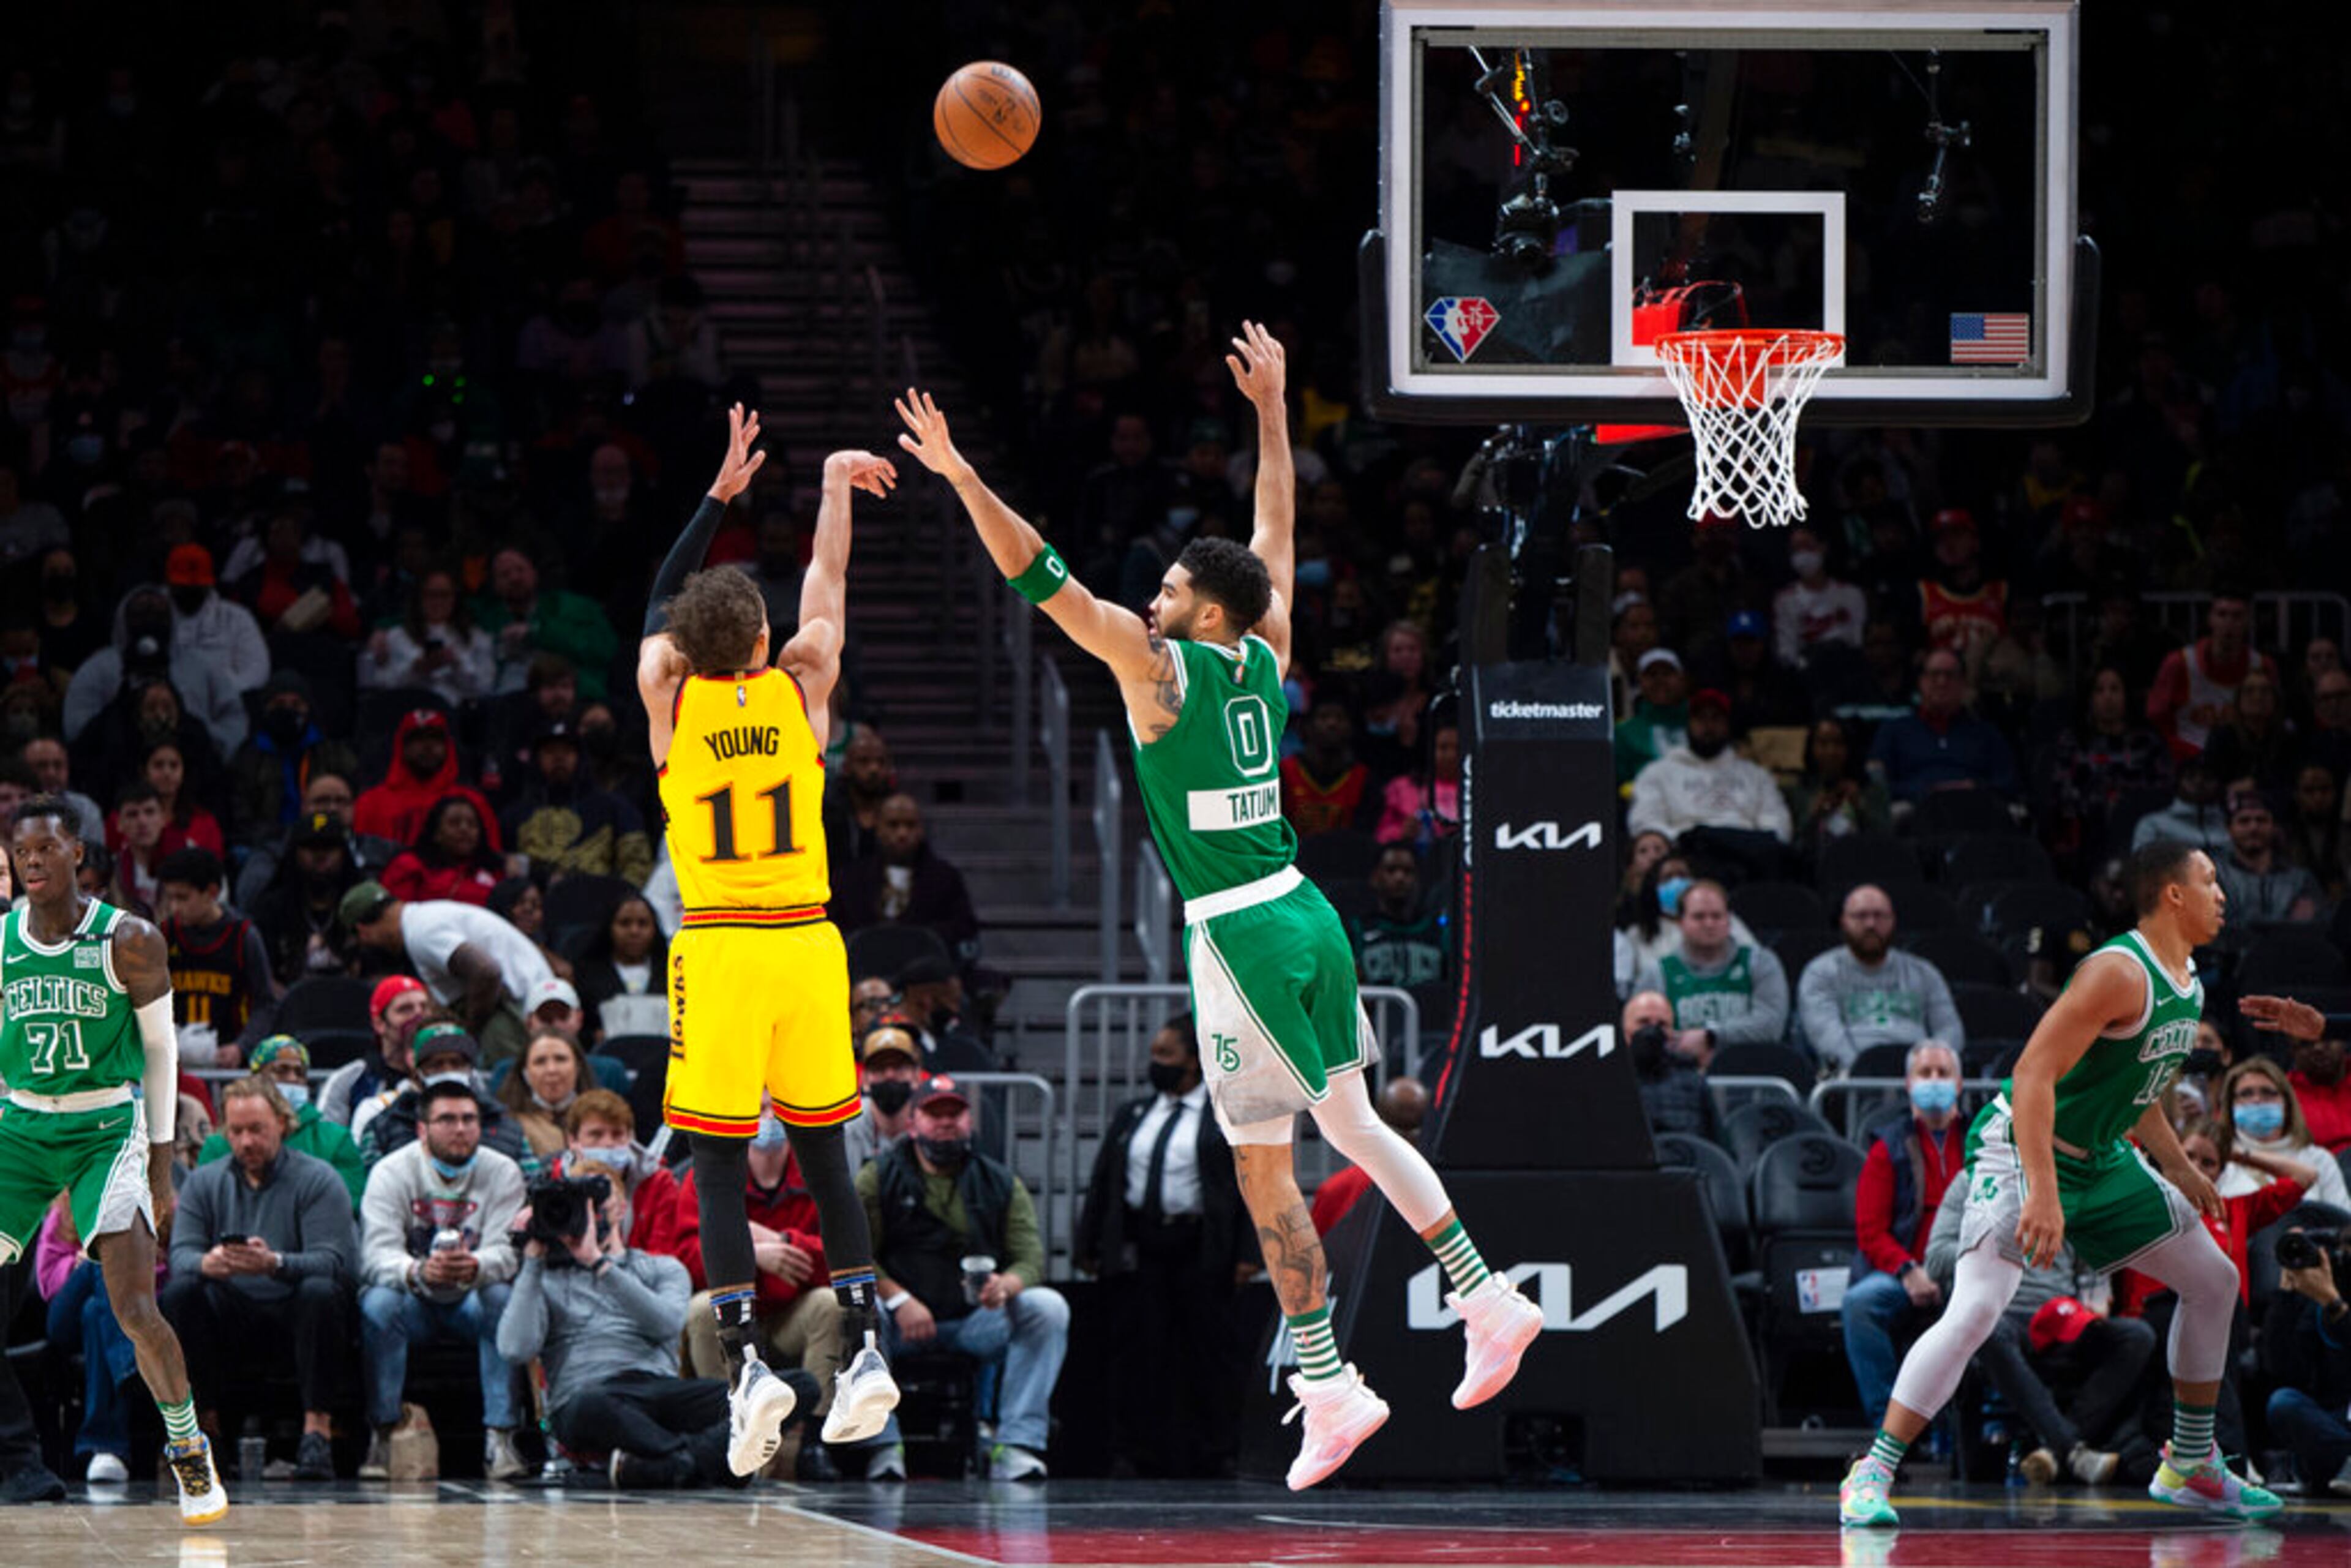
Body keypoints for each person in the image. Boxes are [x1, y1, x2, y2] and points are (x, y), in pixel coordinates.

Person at [898, 327, 1542, 1493]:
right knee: (1354, 1128)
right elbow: (1275, 537)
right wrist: (1275, 411)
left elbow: (1038, 572)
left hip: (1241, 931)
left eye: (1169, 591)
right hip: (1309, 910)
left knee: (1263, 1173)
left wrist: (960, 477)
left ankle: (1330, 1381)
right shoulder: (1263, 653)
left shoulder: (1159, 674)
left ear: (1201, 617)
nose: (1150, 600)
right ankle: (1487, 1295)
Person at [1837, 841, 2278, 1529]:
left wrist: (2181, 1166)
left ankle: (2191, 1461)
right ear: (2172, 894)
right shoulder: (2116, 971)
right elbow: (2035, 1073)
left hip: (2103, 1157)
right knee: (1978, 1309)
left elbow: (2140, 1091)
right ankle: (1872, 1470)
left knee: (2215, 1281)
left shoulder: (2186, 981)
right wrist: (2043, 1190)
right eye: (2210, 880)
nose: (2222, 893)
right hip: (2022, 1146)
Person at [636, 404, 902, 1476]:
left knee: (714, 1151)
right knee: (828, 1149)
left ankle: (745, 1364)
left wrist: (715, 501)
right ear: (762, 639)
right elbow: (828, 589)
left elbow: (658, 600)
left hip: (721, 944)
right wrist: (833, 484)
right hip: (806, 942)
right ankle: (868, 1343)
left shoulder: (670, 696)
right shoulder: (803, 688)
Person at [0, 797, 228, 1521]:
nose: (31, 861)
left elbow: (161, 1055)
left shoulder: (128, 939)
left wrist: (161, 1167)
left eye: (46, 848)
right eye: (20, 851)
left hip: (108, 1124)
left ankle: (189, 1451)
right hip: (22, 1124)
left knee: (132, 1304)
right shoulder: (1, 940)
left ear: (79, 853)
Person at [498, 1136, 812, 1490]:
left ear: (620, 1207)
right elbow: (514, 1348)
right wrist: (532, 1258)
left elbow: (666, 1324)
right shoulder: (544, 1277)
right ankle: (706, 1460)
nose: (585, 1216)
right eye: (572, 1206)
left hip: (659, 1392)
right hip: (588, 1398)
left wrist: (600, 1265)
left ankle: (672, 1465)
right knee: (590, 1404)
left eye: (595, 1204)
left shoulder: (662, 1268)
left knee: (797, 1387)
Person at [855, 1078, 1068, 1480]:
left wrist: (1007, 1285)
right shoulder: (878, 1176)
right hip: (898, 1321)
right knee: (853, 1309)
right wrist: (899, 1299)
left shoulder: (1000, 1180)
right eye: (935, 1114)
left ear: (971, 1121)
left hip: (974, 1320)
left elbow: (1030, 1258)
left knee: (1047, 1307)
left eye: (955, 1113)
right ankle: (883, 1444)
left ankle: (1016, 1443)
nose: (946, 1122)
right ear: (913, 1122)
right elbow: (855, 1257)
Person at [1076, 1013, 1256, 1477]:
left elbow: (1251, 1186)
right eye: (1155, 1054)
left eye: (1166, 1055)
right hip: (1142, 1242)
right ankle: (1135, 1451)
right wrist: (1089, 1241)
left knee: (1209, 1351)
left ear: (1194, 1062)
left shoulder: (1224, 1113)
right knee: (1139, 1352)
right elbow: (1104, 1181)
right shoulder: (1134, 1112)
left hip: (1201, 1244)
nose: (1156, 1064)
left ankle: (1217, 1450)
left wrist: (1248, 1252)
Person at [160, 1075, 358, 1482]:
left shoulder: (318, 1178)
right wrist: (208, 1262)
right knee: (183, 1290)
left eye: (257, 1129)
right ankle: (207, 1431)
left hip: (294, 1307)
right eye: (236, 1131)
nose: (247, 1141)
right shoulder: (205, 1180)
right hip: (232, 1310)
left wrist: (274, 1262)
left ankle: (316, 1433)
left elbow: (337, 1261)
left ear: (282, 1124)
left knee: (322, 1291)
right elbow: (181, 1256)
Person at [357, 1076, 528, 1481]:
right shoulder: (390, 1172)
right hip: (413, 1298)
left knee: (503, 1298)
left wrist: (476, 1265)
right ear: (422, 1128)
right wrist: (416, 1270)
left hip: (472, 1298)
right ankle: (382, 1434)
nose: (460, 1128)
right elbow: (374, 1255)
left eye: (469, 1118)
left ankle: (501, 1438)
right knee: (377, 1303)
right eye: (447, 1119)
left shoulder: (503, 1171)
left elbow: (510, 1251)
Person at [1921, 1177, 2142, 1487]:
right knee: (1988, 1328)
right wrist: (1991, 1240)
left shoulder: (2068, 1180)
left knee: (2136, 1336)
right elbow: (1935, 1260)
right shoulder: (1972, 1180)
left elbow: (2091, 1269)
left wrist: (2093, 1300)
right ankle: (2072, 1450)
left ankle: (2055, 1450)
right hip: (2000, 1310)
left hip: (2060, 1315)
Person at [673, 1108, 847, 1480]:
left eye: (776, 1109)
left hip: (790, 1311)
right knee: (702, 1309)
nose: (768, 1119)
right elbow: (687, 1262)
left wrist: (784, 1242)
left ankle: (814, 1445)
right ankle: (729, 1430)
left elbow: (840, 1253)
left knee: (831, 1306)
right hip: (734, 1310)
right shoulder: (702, 1175)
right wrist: (752, 1256)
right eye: (758, 1109)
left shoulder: (816, 1173)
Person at [1839, 1041, 1968, 1427]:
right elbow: (1871, 1232)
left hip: (1968, 1270)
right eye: (1924, 1074)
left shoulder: (1981, 1139)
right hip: (1907, 1272)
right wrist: (1908, 1271)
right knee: (1860, 1305)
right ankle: (1888, 1428)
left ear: (1959, 1083)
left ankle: (1984, 1432)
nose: (1934, 1081)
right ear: (1908, 1084)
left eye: (1942, 1073)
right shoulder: (1888, 1146)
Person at [340, 880, 555, 1065]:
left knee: (509, 1092)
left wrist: (468, 1033)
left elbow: (486, 972)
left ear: (363, 930)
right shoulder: (423, 919)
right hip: (522, 1005)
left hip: (514, 1009)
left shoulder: (421, 931)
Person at [1798, 885, 1967, 1073]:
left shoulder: (1924, 972)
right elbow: (1826, 1035)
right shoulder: (1820, 972)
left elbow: (1950, 1030)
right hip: (1851, 1082)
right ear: (1843, 921)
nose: (1871, 924)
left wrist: (1930, 1069)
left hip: (1922, 1079)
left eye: (1879, 916)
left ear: (1893, 920)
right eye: (1861, 916)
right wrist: (1864, 1074)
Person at [196, 1038, 367, 1207]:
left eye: (300, 1073)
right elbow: (206, 1203)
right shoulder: (218, 1145)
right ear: (256, 1077)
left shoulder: (336, 1140)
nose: (293, 1079)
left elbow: (347, 1202)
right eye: (281, 1070)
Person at [1630, 880, 1791, 1057]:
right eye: (1699, 917)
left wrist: (1711, 1037)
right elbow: (1639, 1032)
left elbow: (1771, 1026)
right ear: (1680, 922)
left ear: (1729, 921)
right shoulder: (1657, 973)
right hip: (1678, 1073)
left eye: (1717, 916)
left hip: (1750, 1069)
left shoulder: (1760, 962)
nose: (1709, 924)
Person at [828, 793, 983, 974]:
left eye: (910, 825)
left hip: (926, 975)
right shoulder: (850, 879)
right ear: (878, 828)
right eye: (893, 825)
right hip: (863, 974)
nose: (902, 834)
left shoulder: (945, 878)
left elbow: (963, 927)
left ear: (921, 830)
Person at [355, 1018, 533, 1171]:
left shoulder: (506, 1126)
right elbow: (373, 1190)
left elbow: (531, 1187)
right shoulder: (384, 1127)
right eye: (436, 1064)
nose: (448, 1070)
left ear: (471, 1069)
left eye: (457, 1063)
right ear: (418, 1072)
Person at [1626, 688, 1794, 849]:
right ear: (1688, 724)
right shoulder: (1657, 773)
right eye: (1701, 719)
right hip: (1684, 855)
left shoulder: (1756, 776)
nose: (1708, 726)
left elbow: (1778, 826)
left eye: (1716, 719)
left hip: (1745, 858)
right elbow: (1646, 822)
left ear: (1727, 725)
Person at [156, 847, 275, 1068]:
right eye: (170, 898)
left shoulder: (243, 936)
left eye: (182, 898)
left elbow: (265, 1004)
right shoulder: (164, 935)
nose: (174, 908)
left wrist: (243, 1046)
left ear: (211, 892)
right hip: (175, 1062)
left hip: (227, 1060)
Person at [501, 719, 654, 883]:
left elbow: (637, 865)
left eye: (567, 751)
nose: (559, 758)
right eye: (550, 752)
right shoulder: (515, 815)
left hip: (600, 900)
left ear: (580, 758)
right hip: (531, 903)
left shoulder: (614, 808)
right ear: (537, 759)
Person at [1867, 648, 2023, 806]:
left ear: (1963, 684)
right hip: (1914, 816)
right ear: (1922, 682)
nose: (1942, 682)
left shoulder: (1987, 734)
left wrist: (1975, 788)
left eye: (1950, 675)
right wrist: (1924, 791)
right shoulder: (1894, 732)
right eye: (1935, 675)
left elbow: (2008, 783)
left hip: (1976, 814)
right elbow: (1878, 785)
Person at [2262, 1226, 2351, 1497]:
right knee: (2284, 1402)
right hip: (2333, 1420)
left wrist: (2334, 1304)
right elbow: (2280, 1368)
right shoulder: (2317, 1294)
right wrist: (2285, 1297)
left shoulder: (2329, 1296)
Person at [351, 708, 501, 858]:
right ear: (402, 746)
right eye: (418, 739)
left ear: (448, 747)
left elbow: (492, 859)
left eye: (435, 738)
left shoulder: (474, 803)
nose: (428, 746)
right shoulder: (370, 803)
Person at [2148, 589, 2278, 760]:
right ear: (2210, 618)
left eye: (2237, 616)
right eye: (2222, 615)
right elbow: (2157, 718)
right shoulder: (2179, 664)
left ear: (2248, 621)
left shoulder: (2262, 667)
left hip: (2243, 762)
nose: (2229, 624)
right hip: (2188, 763)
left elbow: (2274, 720)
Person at [477, 546, 620, 700]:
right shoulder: (487, 620)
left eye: (520, 570)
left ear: (534, 573)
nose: (514, 578)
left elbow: (603, 649)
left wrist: (538, 632)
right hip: (507, 700)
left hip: (571, 698)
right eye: (505, 574)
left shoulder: (570, 606)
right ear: (495, 584)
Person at [2211, 1054, 2351, 1210]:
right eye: (2246, 1094)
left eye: (2268, 1092)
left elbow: (2344, 1221)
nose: (2257, 1100)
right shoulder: (2217, 1160)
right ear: (2230, 1106)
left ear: (2287, 1103)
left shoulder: (2319, 1160)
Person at [248, 809, 363, 985]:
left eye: (329, 848)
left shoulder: (363, 908)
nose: (321, 856)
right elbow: (261, 976)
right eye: (311, 848)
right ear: (294, 853)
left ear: (344, 854)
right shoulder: (271, 909)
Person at [357, 567, 498, 707]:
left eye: (444, 595)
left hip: (460, 714)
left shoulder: (475, 637)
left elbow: (485, 688)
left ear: (455, 598)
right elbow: (383, 683)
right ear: (419, 598)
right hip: (410, 713)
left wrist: (457, 665)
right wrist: (417, 670)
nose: (437, 602)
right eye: (431, 595)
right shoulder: (396, 637)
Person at [320, 975, 434, 1129]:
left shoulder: (456, 1071)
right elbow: (329, 1143)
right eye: (405, 1009)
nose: (419, 1016)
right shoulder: (349, 1080)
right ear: (379, 1024)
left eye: (424, 1007)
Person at [1349, 844, 1447, 1014]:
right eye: (1391, 870)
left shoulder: (1437, 932)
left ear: (1418, 879)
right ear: (1375, 878)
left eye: (1408, 871)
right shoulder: (1358, 930)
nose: (1400, 877)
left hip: (1430, 1024)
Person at [2211, 793, 2324, 940]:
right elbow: (2216, 930)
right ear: (2229, 828)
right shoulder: (2215, 878)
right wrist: (2284, 924)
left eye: (2261, 820)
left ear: (2274, 827)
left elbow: (2315, 929)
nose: (2254, 828)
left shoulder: (2300, 880)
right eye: (2244, 821)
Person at [569, 895, 670, 1042]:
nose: (634, 931)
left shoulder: (672, 972)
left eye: (643, 924)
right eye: (625, 923)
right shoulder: (587, 974)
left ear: (655, 928)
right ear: (610, 927)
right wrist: (593, 1037)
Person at [1621, 989, 1715, 1139]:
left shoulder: (1695, 1082)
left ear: (1672, 1033)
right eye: (1643, 1022)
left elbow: (1717, 1150)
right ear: (1624, 1032)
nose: (1653, 1030)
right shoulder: (1607, 1083)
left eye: (1662, 1024)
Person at [381, 795, 506, 907]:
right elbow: (396, 915)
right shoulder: (409, 865)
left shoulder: (495, 870)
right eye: (454, 823)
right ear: (436, 833)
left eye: (472, 824)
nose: (464, 829)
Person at [1772, 524, 1866, 669]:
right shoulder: (1785, 600)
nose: (1802, 554)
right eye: (1796, 549)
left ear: (1823, 547)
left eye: (1807, 546)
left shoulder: (1851, 594)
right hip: (1809, 673)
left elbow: (1859, 639)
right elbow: (1787, 650)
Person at [1281, 696, 1375, 837]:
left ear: (1351, 728)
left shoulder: (1363, 778)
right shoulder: (1285, 772)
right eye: (1324, 717)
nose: (1332, 723)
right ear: (1307, 727)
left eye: (1340, 718)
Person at [498, 1030, 593, 1163]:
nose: (551, 1070)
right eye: (540, 1062)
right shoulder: (509, 1125)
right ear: (525, 1073)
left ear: (578, 1067)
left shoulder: (604, 1117)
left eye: (561, 1059)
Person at [841, 1021, 927, 1169]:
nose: (890, 1075)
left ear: (916, 1077)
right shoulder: (848, 1127)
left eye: (899, 1067)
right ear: (864, 1080)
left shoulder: (930, 1123)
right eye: (879, 1068)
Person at [822, 728, 895, 869]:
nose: (874, 769)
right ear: (846, 768)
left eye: (881, 762)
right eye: (864, 761)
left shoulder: (899, 811)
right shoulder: (827, 813)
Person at [2131, 754, 2232, 857]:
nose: (2199, 782)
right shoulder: (2153, 825)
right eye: (2191, 776)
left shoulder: (2233, 824)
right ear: (2178, 782)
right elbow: (2141, 867)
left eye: (2208, 777)